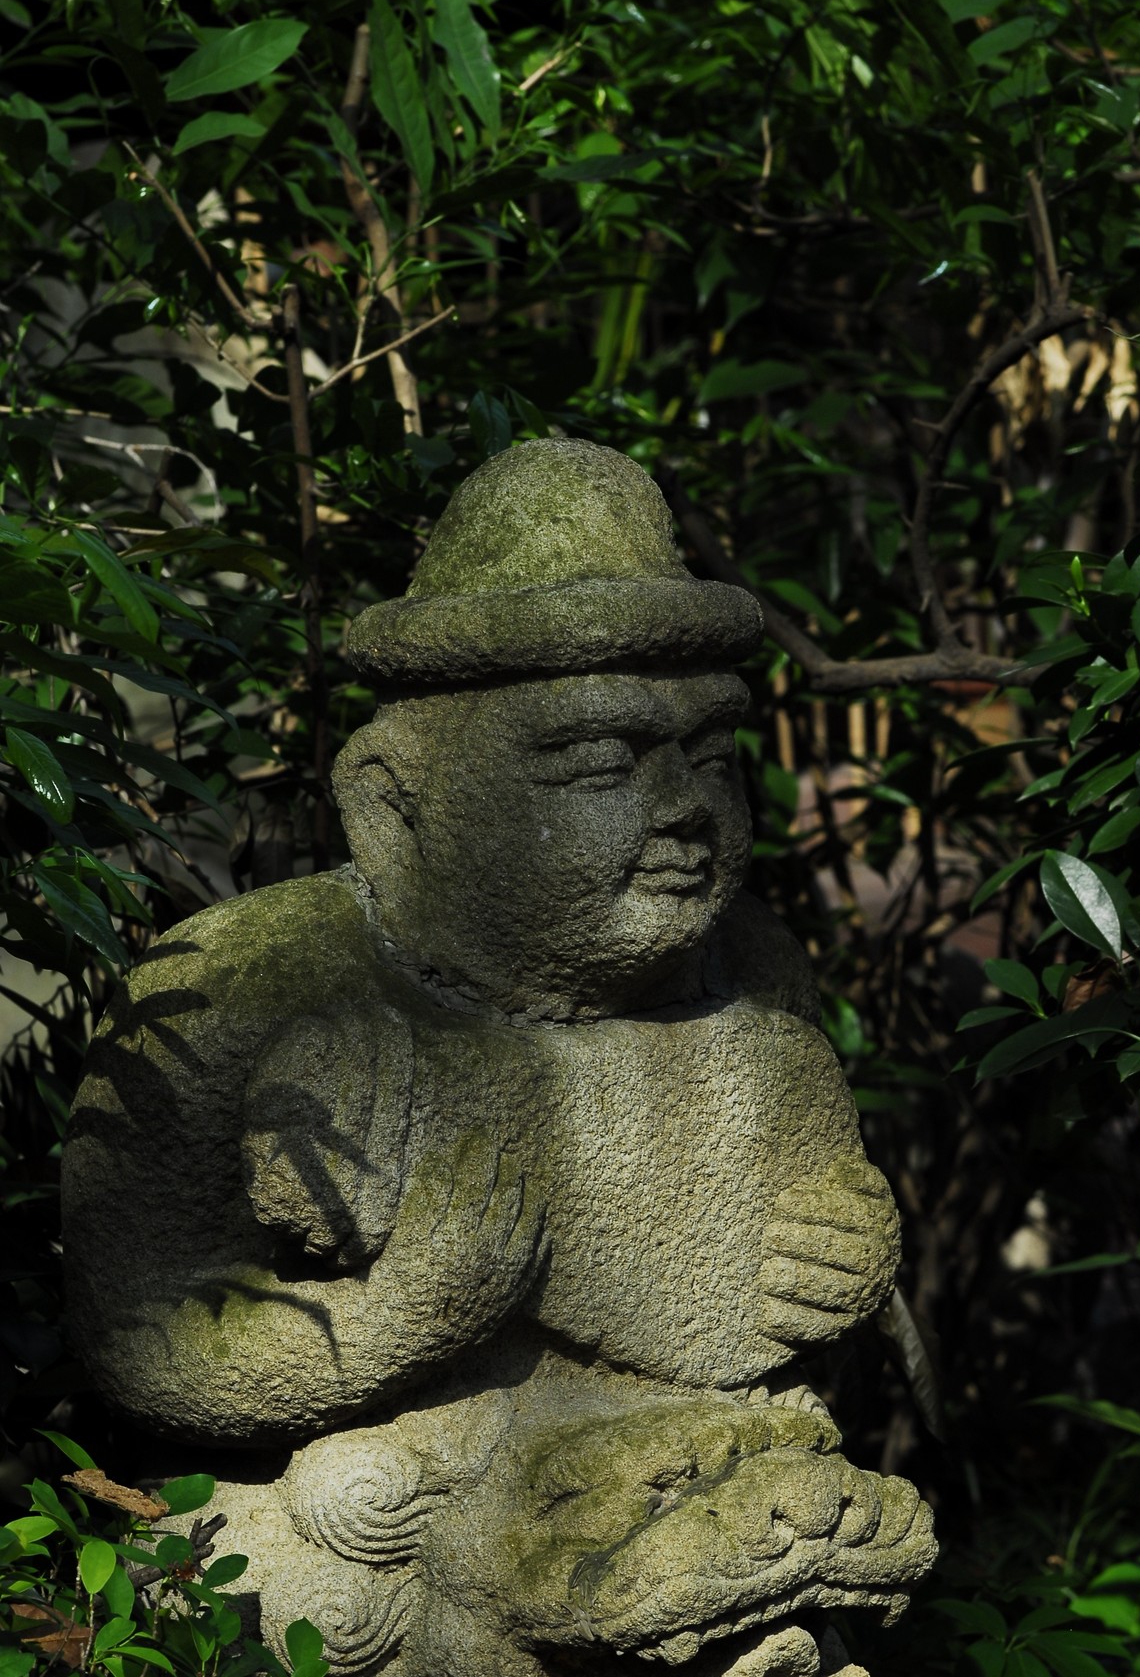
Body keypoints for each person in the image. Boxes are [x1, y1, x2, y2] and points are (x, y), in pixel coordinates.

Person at [63, 440, 932, 1676]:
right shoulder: (244, 988)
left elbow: (805, 1240)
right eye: (598, 764)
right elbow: (143, 1335)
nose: (683, 807)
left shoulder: (753, 970)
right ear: (395, 806)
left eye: (712, 756)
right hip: (390, 1526)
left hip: (718, 1510)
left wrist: (851, 1260)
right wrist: (396, 1319)